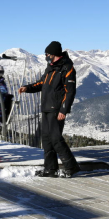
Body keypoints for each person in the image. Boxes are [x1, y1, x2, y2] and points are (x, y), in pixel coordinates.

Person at [18, 41, 80, 178]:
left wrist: (63, 110)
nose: (46, 56)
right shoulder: (50, 67)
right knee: (46, 139)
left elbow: (70, 92)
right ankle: (50, 169)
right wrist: (27, 88)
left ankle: (71, 167)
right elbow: (41, 83)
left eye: (48, 54)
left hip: (56, 109)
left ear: (55, 54)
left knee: (56, 139)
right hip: (46, 108)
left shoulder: (67, 68)